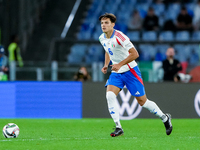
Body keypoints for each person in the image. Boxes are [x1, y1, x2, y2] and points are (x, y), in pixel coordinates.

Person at [98, 13, 172, 137]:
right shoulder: (102, 38)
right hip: (117, 72)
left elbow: (135, 54)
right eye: (102, 23)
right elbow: (108, 51)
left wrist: (120, 64)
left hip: (130, 71)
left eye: (106, 23)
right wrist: (106, 64)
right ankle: (118, 127)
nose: (103, 25)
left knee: (143, 102)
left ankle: (164, 118)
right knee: (110, 95)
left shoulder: (120, 37)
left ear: (113, 25)